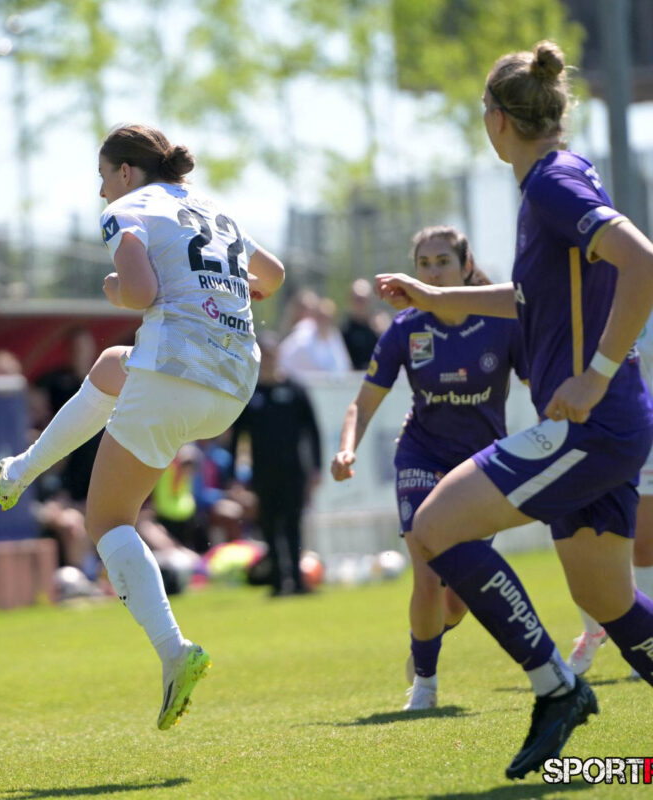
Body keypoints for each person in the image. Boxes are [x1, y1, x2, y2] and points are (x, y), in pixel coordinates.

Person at [375, 41, 653, 780]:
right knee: (607, 598)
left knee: (434, 529)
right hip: (608, 423)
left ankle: (556, 688)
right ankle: (562, 688)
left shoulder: (552, 187)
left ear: (496, 120)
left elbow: (644, 263)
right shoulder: (559, 181)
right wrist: (441, 298)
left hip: (589, 423)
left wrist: (593, 376)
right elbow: (531, 301)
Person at [0, 123, 285, 730]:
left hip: (177, 372)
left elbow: (141, 292)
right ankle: (19, 471)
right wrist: (232, 288)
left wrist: (113, 288)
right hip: (234, 386)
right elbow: (274, 274)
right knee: (111, 365)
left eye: (103, 177)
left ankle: (175, 652)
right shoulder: (213, 210)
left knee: (105, 522)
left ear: (126, 172)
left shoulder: (129, 207)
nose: (102, 193)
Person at [331, 226, 527, 710]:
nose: (433, 270)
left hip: (482, 464)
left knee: (457, 597)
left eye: (442, 261)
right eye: (424, 263)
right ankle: (425, 684)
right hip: (421, 455)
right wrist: (346, 448)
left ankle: (425, 644)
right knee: (425, 570)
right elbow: (363, 402)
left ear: (464, 267)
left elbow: (537, 383)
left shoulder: (503, 324)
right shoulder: (405, 329)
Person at [568, 308, 653, 678]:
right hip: (604, 431)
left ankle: (644, 637)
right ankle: (594, 629)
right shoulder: (602, 297)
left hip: (643, 430)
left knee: (644, 543)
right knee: (588, 540)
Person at [231, 331, 322, 596]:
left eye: (271, 355)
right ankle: (278, 582)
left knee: (293, 524)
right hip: (263, 472)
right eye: (264, 356)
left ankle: (297, 579)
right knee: (270, 525)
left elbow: (312, 431)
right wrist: (234, 475)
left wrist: (315, 467)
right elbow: (238, 437)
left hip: (294, 471)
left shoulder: (295, 389)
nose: (269, 361)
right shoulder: (252, 394)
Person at [278, 296, 353, 380]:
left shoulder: (335, 337)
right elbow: (284, 360)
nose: (324, 321)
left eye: (328, 318)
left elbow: (344, 366)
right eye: (321, 317)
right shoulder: (302, 335)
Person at [340, 278, 381, 370]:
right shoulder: (343, 332)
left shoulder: (378, 331)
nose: (361, 304)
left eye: (364, 300)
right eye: (357, 299)